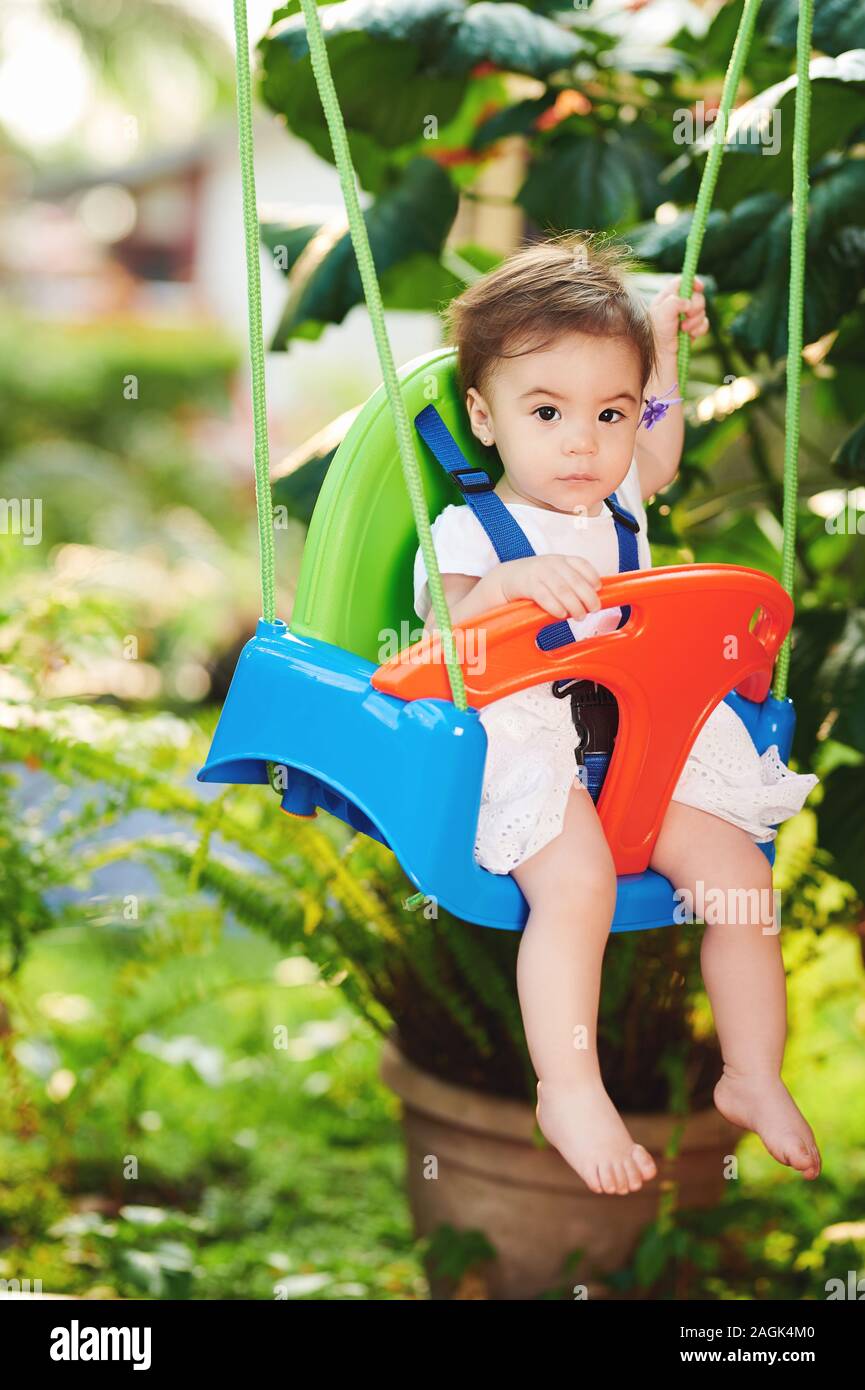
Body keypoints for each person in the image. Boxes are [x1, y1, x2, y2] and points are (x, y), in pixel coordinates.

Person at [413, 232, 821, 1196]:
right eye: (546, 412)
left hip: (649, 740)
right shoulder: (472, 526)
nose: (583, 441)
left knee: (737, 882)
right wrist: (509, 583)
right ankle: (568, 1085)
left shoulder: (622, 494)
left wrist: (666, 360)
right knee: (580, 886)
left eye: (611, 412)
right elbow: (444, 630)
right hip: (535, 746)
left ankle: (752, 1074)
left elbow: (662, 447)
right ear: (483, 415)